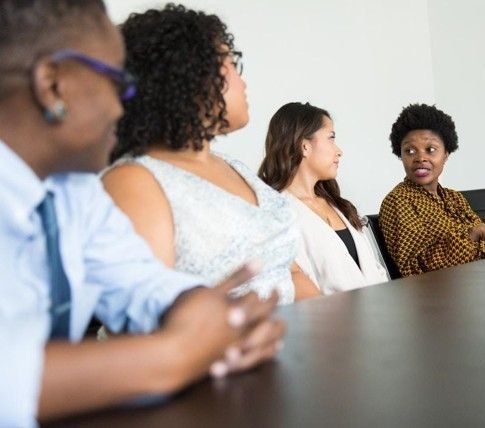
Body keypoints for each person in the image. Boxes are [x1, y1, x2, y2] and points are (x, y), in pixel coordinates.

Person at [0, 1, 283, 425]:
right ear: (51, 85)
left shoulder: (75, 190)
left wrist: (210, 315)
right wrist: (177, 354)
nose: (124, 106)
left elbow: (141, 283)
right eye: (117, 81)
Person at [102, 5, 320, 304]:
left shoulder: (236, 168)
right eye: (230, 64)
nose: (242, 82)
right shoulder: (133, 181)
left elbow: (290, 274)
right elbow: (146, 323)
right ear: (188, 74)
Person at [379, 103, 485, 277]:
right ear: (400, 155)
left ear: (446, 154)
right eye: (410, 151)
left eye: (430, 150)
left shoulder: (454, 197)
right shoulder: (398, 201)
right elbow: (416, 267)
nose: (420, 158)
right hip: (437, 296)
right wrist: (477, 232)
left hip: (480, 280)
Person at [258, 102, 389, 295]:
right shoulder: (276, 213)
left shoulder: (337, 205)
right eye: (331, 138)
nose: (339, 151)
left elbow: (376, 271)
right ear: (304, 146)